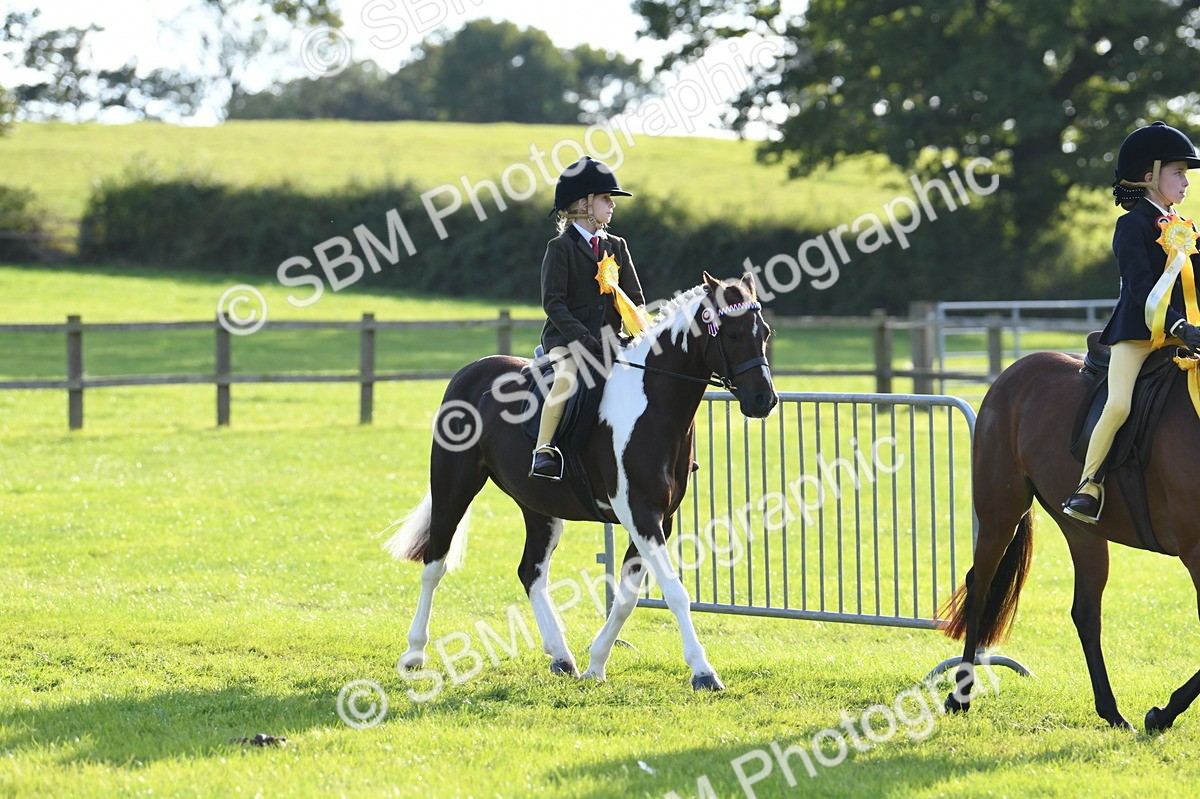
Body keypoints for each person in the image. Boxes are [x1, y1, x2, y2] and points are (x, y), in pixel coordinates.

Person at [1063, 121, 1200, 523]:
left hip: (1183, 334)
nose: (1186, 182)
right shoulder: (1131, 226)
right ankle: (1088, 486)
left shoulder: (1186, 228)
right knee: (1119, 404)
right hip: (1138, 335)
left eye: (1185, 174)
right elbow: (1140, 289)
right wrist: (1177, 327)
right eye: (1179, 173)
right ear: (1150, 176)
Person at [530, 156, 646, 480]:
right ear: (584, 204)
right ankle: (544, 449)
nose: (612, 205)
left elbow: (634, 298)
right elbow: (553, 303)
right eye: (606, 198)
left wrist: (638, 332)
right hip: (567, 341)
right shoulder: (560, 247)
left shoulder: (617, 246)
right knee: (567, 376)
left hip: (612, 340)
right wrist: (582, 337)